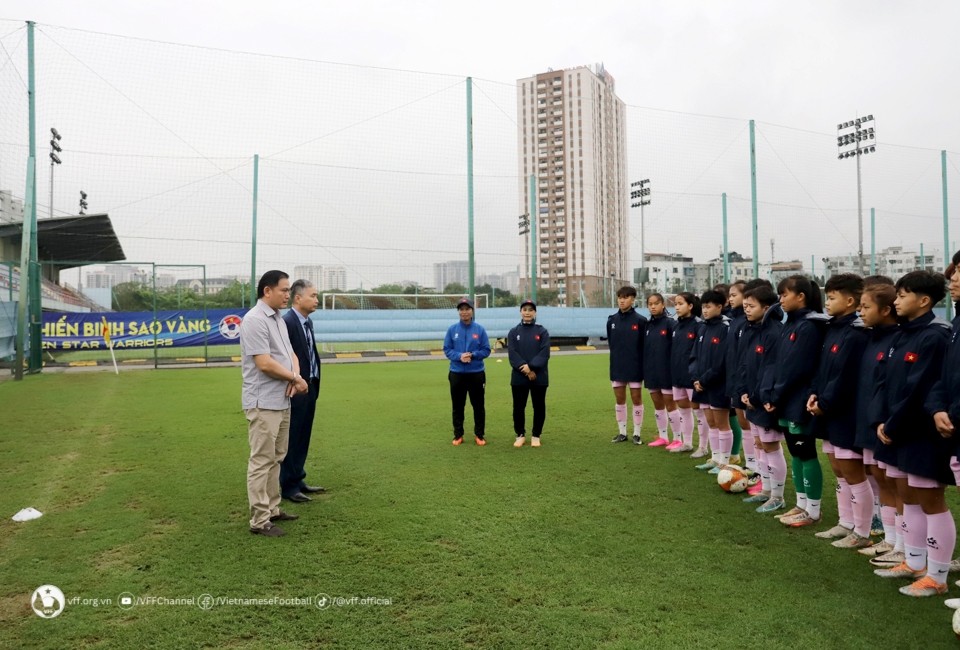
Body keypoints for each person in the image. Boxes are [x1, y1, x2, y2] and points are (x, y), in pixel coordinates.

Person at [872, 270, 953, 597]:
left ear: (923, 300)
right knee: (908, 497)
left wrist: (893, 425)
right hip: (895, 429)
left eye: (902, 294)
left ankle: (937, 576)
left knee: (931, 500)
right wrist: (882, 421)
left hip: (919, 433)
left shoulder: (934, 336)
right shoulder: (901, 334)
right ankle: (915, 561)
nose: (896, 300)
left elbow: (919, 389)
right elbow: (886, 384)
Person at [239, 270, 307, 537]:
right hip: (263, 401)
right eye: (284, 290)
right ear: (267, 291)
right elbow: (264, 363)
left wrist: (295, 375)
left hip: (282, 398)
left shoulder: (278, 319)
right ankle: (259, 519)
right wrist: (295, 378)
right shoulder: (254, 320)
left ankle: (273, 509)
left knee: (277, 457)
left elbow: (288, 353)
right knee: (261, 460)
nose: (287, 295)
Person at [806, 274, 871, 546]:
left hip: (844, 412)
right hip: (826, 409)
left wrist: (825, 402)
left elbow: (845, 377)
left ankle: (863, 532)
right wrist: (814, 394)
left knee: (853, 472)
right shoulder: (832, 328)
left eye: (832, 297)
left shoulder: (857, 333)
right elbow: (824, 370)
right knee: (838, 468)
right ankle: (845, 522)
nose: (827, 302)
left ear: (851, 300)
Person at [760, 275, 827, 527]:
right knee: (796, 454)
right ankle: (801, 504)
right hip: (786, 399)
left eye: (785, 294)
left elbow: (796, 368)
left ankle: (813, 510)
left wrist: (775, 395)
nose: (781, 300)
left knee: (806, 453)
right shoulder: (791, 324)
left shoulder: (808, 326)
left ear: (801, 296)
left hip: (798, 400)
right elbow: (779, 364)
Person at [853, 281, 902, 564]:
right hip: (869, 419)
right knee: (879, 477)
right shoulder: (870, 337)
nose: (861, 312)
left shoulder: (896, 339)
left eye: (865, 307)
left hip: (885, 422)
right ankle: (891, 540)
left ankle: (903, 545)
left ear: (886, 310)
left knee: (895, 484)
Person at [737, 284, 785, 507]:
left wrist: (758, 396)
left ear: (767, 307)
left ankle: (777, 496)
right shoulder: (752, 329)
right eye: (745, 305)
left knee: (770, 445)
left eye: (751, 306)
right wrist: (745, 392)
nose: (746, 309)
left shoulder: (774, 332)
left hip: (764, 401)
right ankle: (766, 489)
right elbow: (746, 364)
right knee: (758, 444)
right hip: (752, 399)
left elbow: (771, 369)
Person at [280, 279, 326, 503]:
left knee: (303, 434)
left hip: (311, 386)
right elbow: (284, 357)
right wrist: (295, 380)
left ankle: (298, 478)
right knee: (292, 436)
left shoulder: (307, 322)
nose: (317, 300)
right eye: (313, 295)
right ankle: (287, 486)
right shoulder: (287, 322)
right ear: (298, 298)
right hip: (296, 388)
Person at [689, 289, 731, 472]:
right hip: (701, 386)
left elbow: (721, 362)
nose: (705, 310)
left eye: (709, 307)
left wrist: (704, 380)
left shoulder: (724, 329)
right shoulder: (703, 328)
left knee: (722, 424)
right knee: (711, 423)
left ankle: (725, 461)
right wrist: (695, 378)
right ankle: (714, 458)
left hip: (717, 384)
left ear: (720, 307)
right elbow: (694, 357)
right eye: (703, 307)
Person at [443, 297, 491, 446]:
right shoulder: (452, 330)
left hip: (476, 373)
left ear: (472, 311)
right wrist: (459, 356)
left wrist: (473, 355)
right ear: (459, 312)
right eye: (461, 309)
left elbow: (486, 350)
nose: (464, 312)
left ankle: (479, 435)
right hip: (457, 373)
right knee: (458, 405)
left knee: (478, 405)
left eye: (467, 309)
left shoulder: (479, 329)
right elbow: (447, 349)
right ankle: (458, 435)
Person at [607, 286, 647, 444]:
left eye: (625, 297)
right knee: (619, 399)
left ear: (633, 299)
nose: (622, 300)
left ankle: (637, 433)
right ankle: (622, 432)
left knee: (637, 399)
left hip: (635, 366)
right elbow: (612, 343)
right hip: (617, 366)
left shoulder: (640, 321)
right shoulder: (612, 320)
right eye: (619, 297)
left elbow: (644, 345)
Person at [508, 300, 550, 447]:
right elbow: (512, 354)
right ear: (520, 312)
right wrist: (525, 369)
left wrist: (532, 368)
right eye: (524, 309)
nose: (527, 312)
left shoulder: (542, 331)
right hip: (519, 376)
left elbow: (544, 353)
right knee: (518, 407)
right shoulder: (514, 332)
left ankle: (536, 435)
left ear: (535, 313)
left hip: (539, 376)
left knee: (539, 406)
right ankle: (520, 434)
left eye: (530, 310)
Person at [643, 293, 680, 448]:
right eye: (650, 304)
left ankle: (678, 438)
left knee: (671, 405)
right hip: (651, 371)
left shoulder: (670, 324)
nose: (653, 306)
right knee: (658, 405)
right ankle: (663, 436)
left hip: (667, 371)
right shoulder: (647, 325)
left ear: (663, 304)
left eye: (656, 303)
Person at [669, 292, 704, 454]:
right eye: (675, 304)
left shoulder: (699, 325)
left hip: (692, 377)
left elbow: (700, 354)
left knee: (699, 411)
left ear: (690, 306)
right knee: (683, 409)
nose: (677, 307)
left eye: (680, 303)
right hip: (677, 376)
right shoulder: (675, 325)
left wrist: (696, 375)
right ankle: (687, 442)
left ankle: (703, 447)